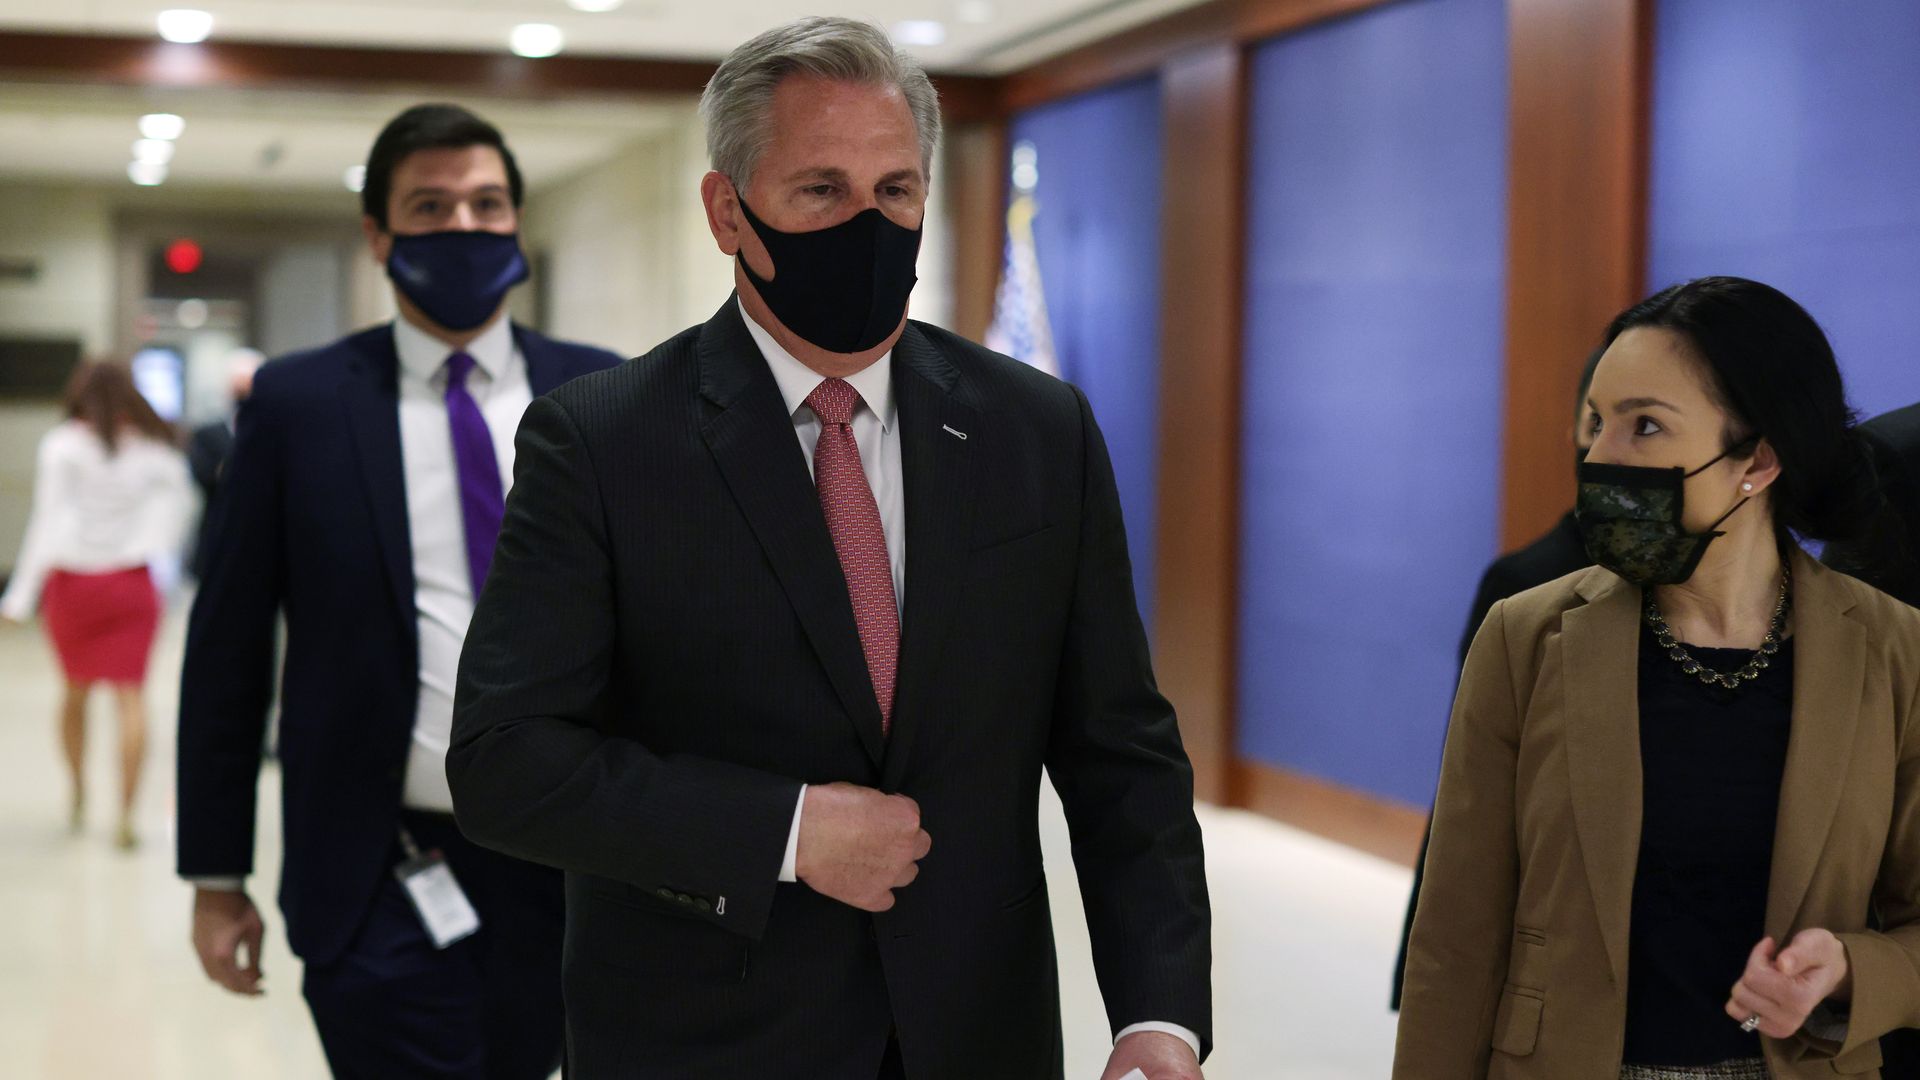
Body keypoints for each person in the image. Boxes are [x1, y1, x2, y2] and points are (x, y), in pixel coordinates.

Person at [445, 18, 1212, 1080]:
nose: (869, 224)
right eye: (821, 191)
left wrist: (1159, 1015)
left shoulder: (1038, 430)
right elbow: (506, 762)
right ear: (728, 210)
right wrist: (786, 831)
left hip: (975, 1036)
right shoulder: (604, 441)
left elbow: (1118, 749)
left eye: (896, 192)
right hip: (703, 1041)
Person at [175, 103, 622, 1079]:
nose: (463, 227)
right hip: (378, 864)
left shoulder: (604, 398)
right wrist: (217, 875)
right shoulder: (298, 407)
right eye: (429, 206)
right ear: (378, 235)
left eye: (487, 203)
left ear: (516, 222)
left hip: (573, 859)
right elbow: (228, 649)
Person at [1396, 277, 1920, 1079]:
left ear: (1759, 458)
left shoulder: (1893, 650)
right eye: (1598, 423)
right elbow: (1456, 938)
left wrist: (1851, 969)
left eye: (1644, 426)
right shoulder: (1527, 637)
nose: (1600, 457)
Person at [1391, 345, 1603, 1010]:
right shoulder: (1523, 587)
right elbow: (1472, 791)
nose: (1610, 448)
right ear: (1572, 429)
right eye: (1596, 422)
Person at [1, 360, 192, 849]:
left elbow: (47, 522)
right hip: (130, 583)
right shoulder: (156, 450)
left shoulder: (63, 445)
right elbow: (179, 513)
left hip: (74, 585)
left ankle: (79, 791)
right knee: (132, 698)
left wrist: (19, 598)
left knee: (74, 692)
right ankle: (125, 813)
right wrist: (151, 553)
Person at [186, 348, 261, 579]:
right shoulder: (207, 434)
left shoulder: (273, 431)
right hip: (217, 534)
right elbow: (204, 474)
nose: (243, 392)